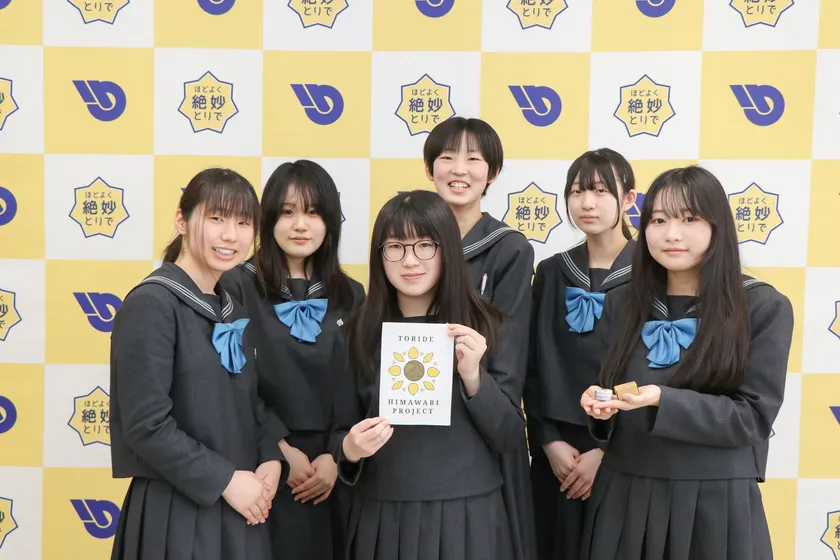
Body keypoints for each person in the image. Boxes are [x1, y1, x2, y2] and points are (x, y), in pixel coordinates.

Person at [580, 166, 794, 559]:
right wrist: (600, 407)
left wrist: (663, 399)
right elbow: (610, 391)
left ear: (718, 227)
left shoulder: (762, 306)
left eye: (689, 219)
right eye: (658, 220)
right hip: (626, 492)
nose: (671, 234)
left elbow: (751, 418)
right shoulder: (621, 302)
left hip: (714, 501)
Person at [330, 190, 527, 559]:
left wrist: (474, 378)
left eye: (425, 246)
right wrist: (351, 450)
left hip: (468, 515)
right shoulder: (355, 333)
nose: (410, 261)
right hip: (383, 515)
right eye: (395, 247)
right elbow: (339, 433)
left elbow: (509, 436)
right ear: (379, 255)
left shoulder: (489, 327)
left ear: (448, 250)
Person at [109, 168, 288, 560]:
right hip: (177, 512)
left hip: (240, 509)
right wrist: (226, 480)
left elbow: (249, 402)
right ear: (181, 220)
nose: (231, 235)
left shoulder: (232, 309)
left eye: (244, 223)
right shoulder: (151, 304)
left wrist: (270, 457)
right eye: (216, 218)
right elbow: (146, 425)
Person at [221, 160, 365, 559]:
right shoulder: (236, 286)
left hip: (333, 470)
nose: (300, 225)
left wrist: (338, 455)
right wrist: (278, 448)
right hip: (261, 462)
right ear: (268, 219)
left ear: (330, 221)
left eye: (313, 212)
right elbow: (231, 379)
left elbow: (361, 382)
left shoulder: (351, 294)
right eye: (287, 212)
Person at [424, 117, 537, 559]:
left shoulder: (509, 248)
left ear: (493, 172)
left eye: (473, 159)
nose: (459, 169)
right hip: (417, 421)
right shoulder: (410, 240)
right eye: (447, 157)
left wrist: (487, 398)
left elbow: (510, 354)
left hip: (483, 418)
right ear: (429, 168)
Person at [524, 148, 637, 560]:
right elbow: (531, 364)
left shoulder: (654, 273)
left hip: (627, 451)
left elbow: (658, 371)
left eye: (601, 191)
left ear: (628, 199)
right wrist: (547, 441)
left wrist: (606, 452)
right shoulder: (552, 271)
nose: (587, 202)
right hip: (558, 453)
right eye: (577, 191)